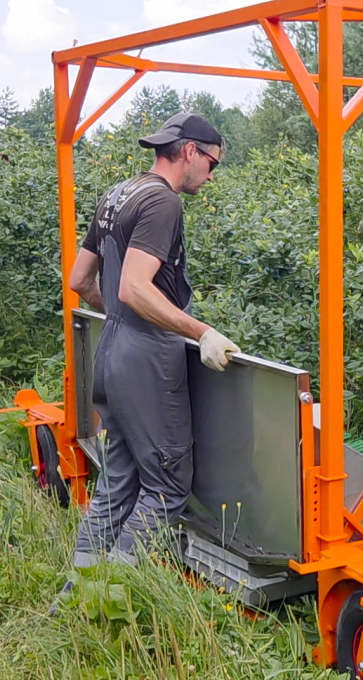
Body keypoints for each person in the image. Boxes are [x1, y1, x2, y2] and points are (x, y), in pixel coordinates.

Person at [61, 113, 240, 582]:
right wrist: (201, 332)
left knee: (117, 483)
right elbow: (134, 288)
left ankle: (79, 591)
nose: (210, 175)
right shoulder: (163, 202)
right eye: (212, 164)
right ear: (190, 151)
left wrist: (123, 325)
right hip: (147, 361)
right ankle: (116, 591)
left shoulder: (118, 193)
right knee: (166, 488)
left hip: (111, 351)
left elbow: (80, 280)